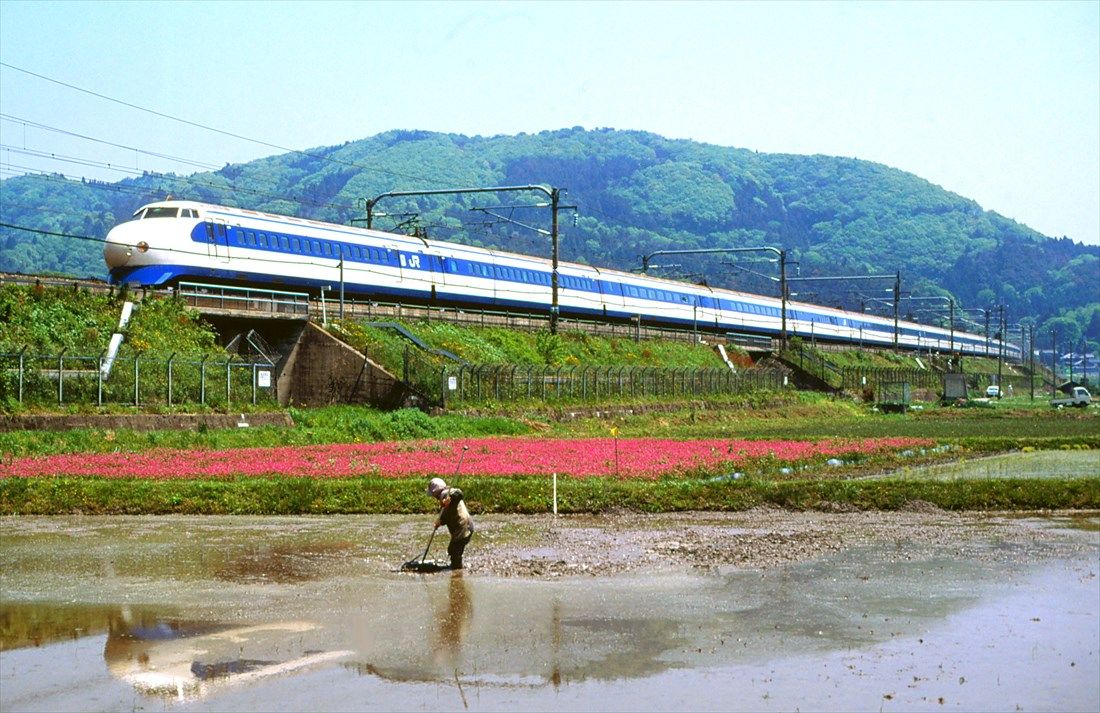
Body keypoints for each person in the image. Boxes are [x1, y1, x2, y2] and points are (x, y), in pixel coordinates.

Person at [427, 477, 473, 569]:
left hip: (463, 527)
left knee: (455, 552)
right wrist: (440, 522)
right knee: (452, 550)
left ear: (436, 492)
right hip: (463, 527)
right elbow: (446, 515)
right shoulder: (443, 499)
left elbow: (459, 494)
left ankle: (457, 573)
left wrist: (450, 498)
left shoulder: (446, 494)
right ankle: (456, 569)